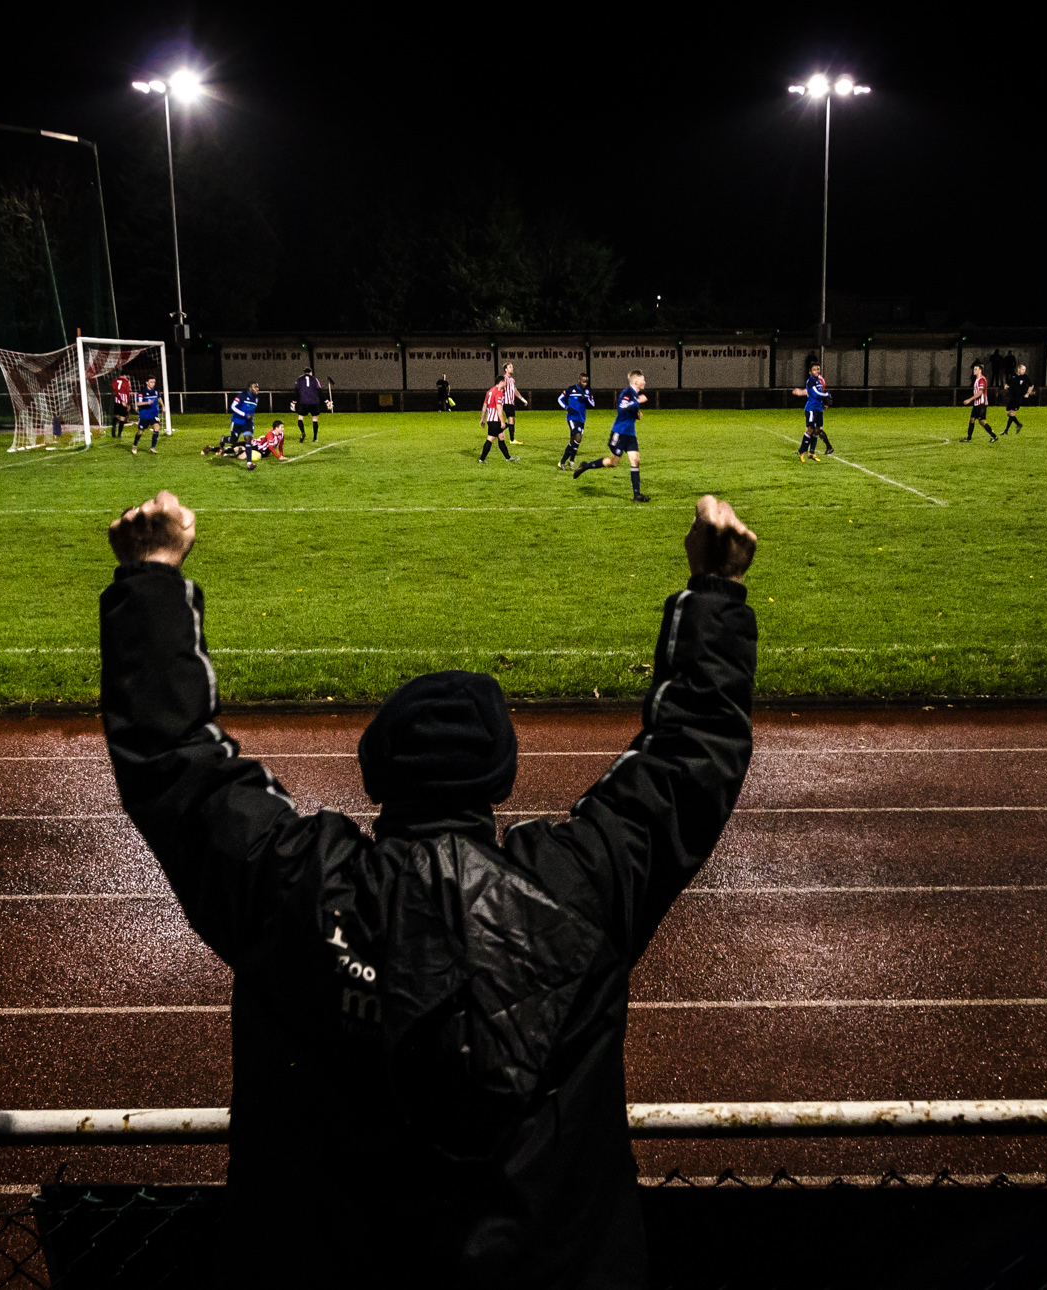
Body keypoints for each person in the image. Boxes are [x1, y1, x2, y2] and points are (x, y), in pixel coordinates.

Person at [99, 488, 758, 1286]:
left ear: (377, 775)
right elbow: (689, 757)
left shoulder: (295, 889)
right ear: (501, 775)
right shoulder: (581, 886)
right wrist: (714, 591)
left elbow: (176, 765)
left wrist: (153, 576)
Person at [573, 369, 650, 502]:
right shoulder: (627, 393)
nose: (645, 382)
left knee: (635, 460)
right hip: (619, 433)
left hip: (630, 434)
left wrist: (637, 414)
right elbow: (622, 408)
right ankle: (586, 466)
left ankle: (637, 494)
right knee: (613, 462)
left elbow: (630, 411)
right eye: (643, 380)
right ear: (636, 381)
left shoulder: (633, 395)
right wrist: (638, 401)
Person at [794, 360, 833, 460]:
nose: (817, 371)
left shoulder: (819, 381)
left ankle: (812, 453)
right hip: (811, 408)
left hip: (818, 408)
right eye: (814, 370)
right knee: (810, 429)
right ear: (810, 372)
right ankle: (801, 451)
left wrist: (824, 404)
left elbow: (819, 393)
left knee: (817, 430)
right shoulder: (810, 381)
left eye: (818, 369)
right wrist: (827, 395)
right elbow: (816, 394)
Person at [556, 373, 595, 470]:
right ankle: (564, 461)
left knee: (574, 441)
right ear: (579, 380)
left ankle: (569, 461)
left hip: (582, 418)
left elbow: (593, 404)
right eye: (583, 381)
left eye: (586, 382)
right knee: (577, 438)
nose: (585, 383)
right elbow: (560, 399)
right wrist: (566, 407)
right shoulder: (570, 389)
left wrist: (586, 398)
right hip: (572, 418)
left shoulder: (587, 391)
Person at [477, 377, 516, 462]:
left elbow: (484, 406)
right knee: (490, 439)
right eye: (505, 382)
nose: (505, 384)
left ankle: (508, 457)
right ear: (501, 382)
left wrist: (482, 419)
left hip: (490, 419)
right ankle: (481, 459)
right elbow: (499, 407)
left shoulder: (489, 392)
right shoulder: (498, 392)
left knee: (501, 437)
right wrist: (502, 421)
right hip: (495, 420)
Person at [962, 362, 997, 443]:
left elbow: (980, 392)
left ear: (980, 370)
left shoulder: (981, 379)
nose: (974, 371)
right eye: (974, 369)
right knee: (972, 420)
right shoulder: (978, 379)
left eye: (976, 369)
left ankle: (994, 436)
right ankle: (968, 438)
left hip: (981, 404)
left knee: (982, 421)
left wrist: (969, 400)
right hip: (977, 404)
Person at [292, 367, 327, 444]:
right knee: (314, 419)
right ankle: (315, 438)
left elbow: (296, 392)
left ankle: (303, 433)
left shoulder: (299, 379)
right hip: (314, 402)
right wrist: (326, 401)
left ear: (304, 373)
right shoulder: (315, 379)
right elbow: (319, 391)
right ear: (311, 372)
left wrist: (293, 402)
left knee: (300, 418)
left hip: (303, 402)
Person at [131, 377, 164, 455]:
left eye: (154, 382)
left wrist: (163, 406)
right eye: (151, 382)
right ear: (147, 382)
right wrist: (147, 402)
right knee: (140, 432)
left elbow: (159, 397)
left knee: (156, 428)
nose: (153, 384)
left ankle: (152, 448)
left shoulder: (155, 392)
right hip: (144, 415)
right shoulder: (141, 392)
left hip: (154, 414)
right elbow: (138, 403)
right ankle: (134, 445)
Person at [501, 362, 529, 445]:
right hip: (506, 402)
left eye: (512, 367)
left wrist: (523, 399)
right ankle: (512, 440)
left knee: (511, 421)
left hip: (511, 402)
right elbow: (500, 389)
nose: (512, 368)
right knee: (511, 420)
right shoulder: (504, 378)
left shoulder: (512, 380)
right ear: (506, 369)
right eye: (510, 367)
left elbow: (515, 391)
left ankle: (496, 431)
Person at [1003, 363, 1035, 434]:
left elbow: (1031, 385)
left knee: (1012, 413)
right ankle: (1018, 424)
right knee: (1008, 413)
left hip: (1019, 397)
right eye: (1023, 369)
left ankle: (1006, 430)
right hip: (1012, 396)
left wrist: (1028, 393)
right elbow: (1007, 384)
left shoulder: (1025, 377)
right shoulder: (1013, 376)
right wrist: (1006, 387)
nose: (1024, 371)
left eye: (1025, 370)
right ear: (1018, 369)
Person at [110, 372, 133, 440]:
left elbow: (116, 391)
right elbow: (128, 393)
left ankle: (113, 432)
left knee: (116, 416)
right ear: (124, 375)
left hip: (116, 400)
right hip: (124, 401)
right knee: (122, 418)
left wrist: (120, 400)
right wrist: (128, 404)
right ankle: (119, 434)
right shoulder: (127, 382)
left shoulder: (114, 381)